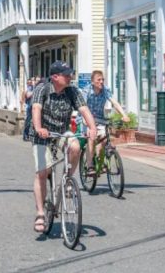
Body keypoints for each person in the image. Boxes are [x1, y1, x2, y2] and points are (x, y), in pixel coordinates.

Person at [27, 61, 97, 232]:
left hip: (61, 131)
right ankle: (41, 213)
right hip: (41, 133)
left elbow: (84, 110)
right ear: (55, 77)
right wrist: (38, 128)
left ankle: (67, 180)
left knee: (75, 147)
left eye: (70, 74)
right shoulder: (41, 90)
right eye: (66, 75)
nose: (70, 77)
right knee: (42, 173)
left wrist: (92, 128)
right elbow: (36, 109)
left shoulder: (72, 91)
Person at [80, 70, 129, 175]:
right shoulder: (86, 90)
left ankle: (100, 162)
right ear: (92, 82)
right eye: (99, 80)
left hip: (100, 119)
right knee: (91, 137)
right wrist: (85, 121)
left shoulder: (105, 90)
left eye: (103, 79)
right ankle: (90, 166)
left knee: (105, 139)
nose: (101, 82)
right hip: (86, 119)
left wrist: (123, 115)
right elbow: (82, 107)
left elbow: (114, 103)